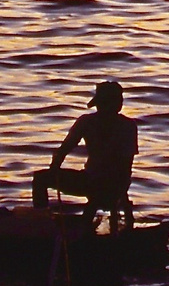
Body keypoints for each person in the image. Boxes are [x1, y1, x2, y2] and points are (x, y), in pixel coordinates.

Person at [33, 80, 137, 223]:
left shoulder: (127, 126)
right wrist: (55, 166)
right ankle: (41, 222)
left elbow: (126, 167)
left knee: (99, 193)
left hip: (112, 184)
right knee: (41, 179)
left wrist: (116, 190)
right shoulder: (87, 122)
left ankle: (86, 228)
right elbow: (65, 148)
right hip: (89, 179)